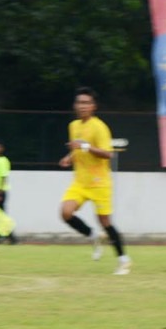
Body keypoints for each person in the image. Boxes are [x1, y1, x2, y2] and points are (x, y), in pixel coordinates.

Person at [58, 87, 130, 274]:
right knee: (65, 212)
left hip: (99, 182)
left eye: (86, 103)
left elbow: (108, 154)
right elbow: (77, 149)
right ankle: (93, 236)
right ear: (75, 105)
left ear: (93, 106)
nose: (82, 106)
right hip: (80, 182)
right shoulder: (73, 126)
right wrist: (69, 157)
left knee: (105, 222)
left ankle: (123, 260)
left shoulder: (99, 127)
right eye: (79, 102)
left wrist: (86, 146)